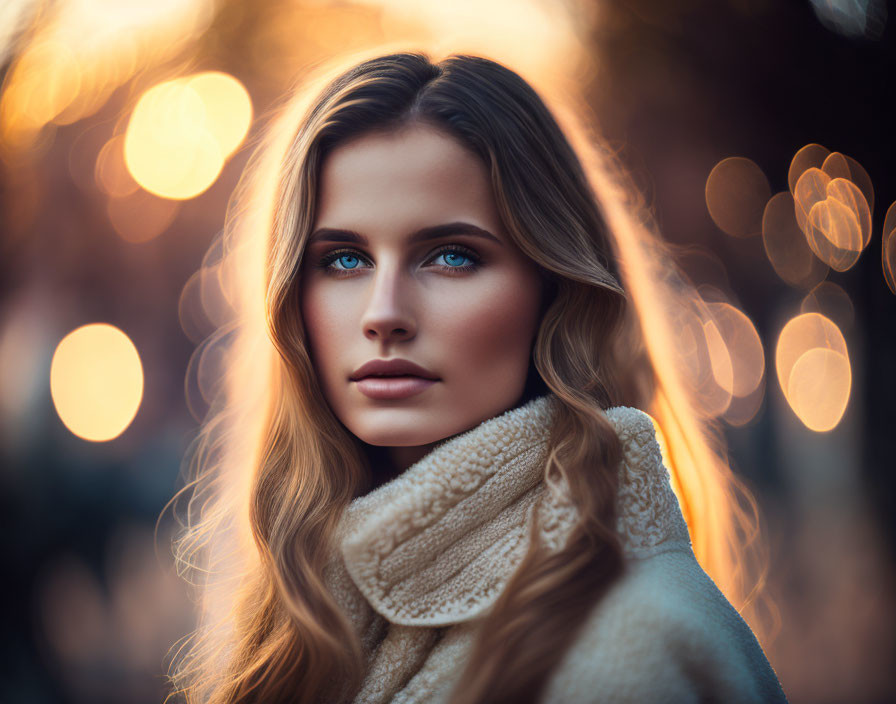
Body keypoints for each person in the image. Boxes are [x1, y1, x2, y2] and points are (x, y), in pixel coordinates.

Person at [166, 49, 789, 704]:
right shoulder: (310, 616)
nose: (384, 315)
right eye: (345, 259)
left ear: (556, 290)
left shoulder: (630, 656)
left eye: (452, 256)